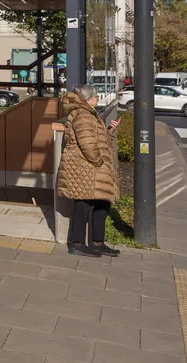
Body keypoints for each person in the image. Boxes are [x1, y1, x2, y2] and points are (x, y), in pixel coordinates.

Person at [58, 85, 121, 257]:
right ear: (88, 99)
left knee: (102, 204)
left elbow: (98, 139)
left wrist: (111, 130)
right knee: (84, 205)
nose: (98, 99)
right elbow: (87, 143)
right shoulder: (83, 115)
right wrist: (99, 161)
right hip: (86, 167)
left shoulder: (88, 114)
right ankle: (77, 243)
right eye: (96, 97)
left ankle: (97, 243)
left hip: (92, 167)